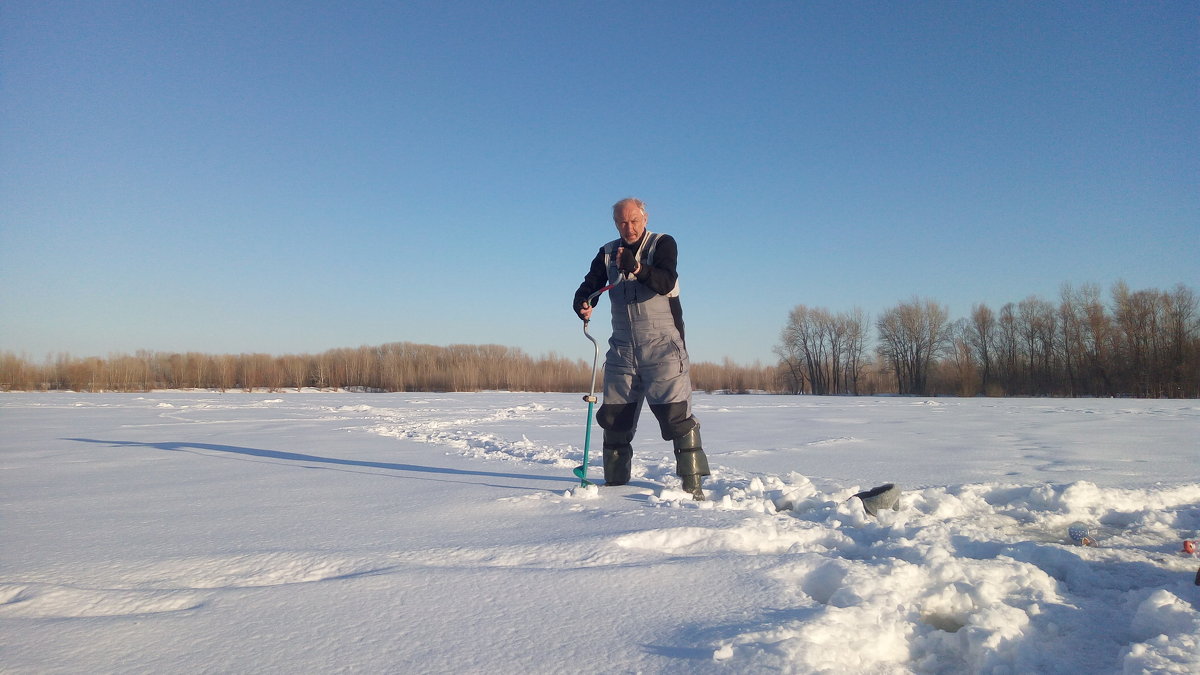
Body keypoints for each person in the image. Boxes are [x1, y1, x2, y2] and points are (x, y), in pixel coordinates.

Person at [573, 197, 710, 500]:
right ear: (615, 223)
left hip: (662, 347)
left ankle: (694, 489)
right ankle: (615, 488)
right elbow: (590, 284)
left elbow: (666, 280)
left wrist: (636, 267)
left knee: (677, 417)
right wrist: (582, 301)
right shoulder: (607, 253)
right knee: (614, 418)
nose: (629, 227)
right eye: (622, 222)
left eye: (634, 220)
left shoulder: (663, 244)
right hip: (622, 349)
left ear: (645, 218)